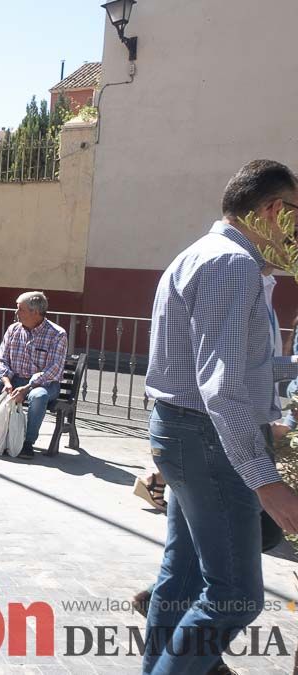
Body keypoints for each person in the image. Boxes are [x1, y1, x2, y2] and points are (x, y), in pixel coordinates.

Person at [141, 159, 298, 674]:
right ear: (273, 210)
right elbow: (222, 387)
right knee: (235, 595)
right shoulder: (232, 264)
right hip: (208, 439)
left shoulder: (209, 255)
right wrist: (266, 482)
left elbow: (235, 365)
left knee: (182, 578)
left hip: (190, 434)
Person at [0, 291, 67, 460]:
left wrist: (27, 388)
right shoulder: (13, 329)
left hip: (44, 384)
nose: (16, 312)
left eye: (20, 309)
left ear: (35, 312)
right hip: (13, 379)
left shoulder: (57, 334)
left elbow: (54, 369)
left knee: (38, 396)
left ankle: (28, 443)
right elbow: (2, 360)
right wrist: (6, 381)